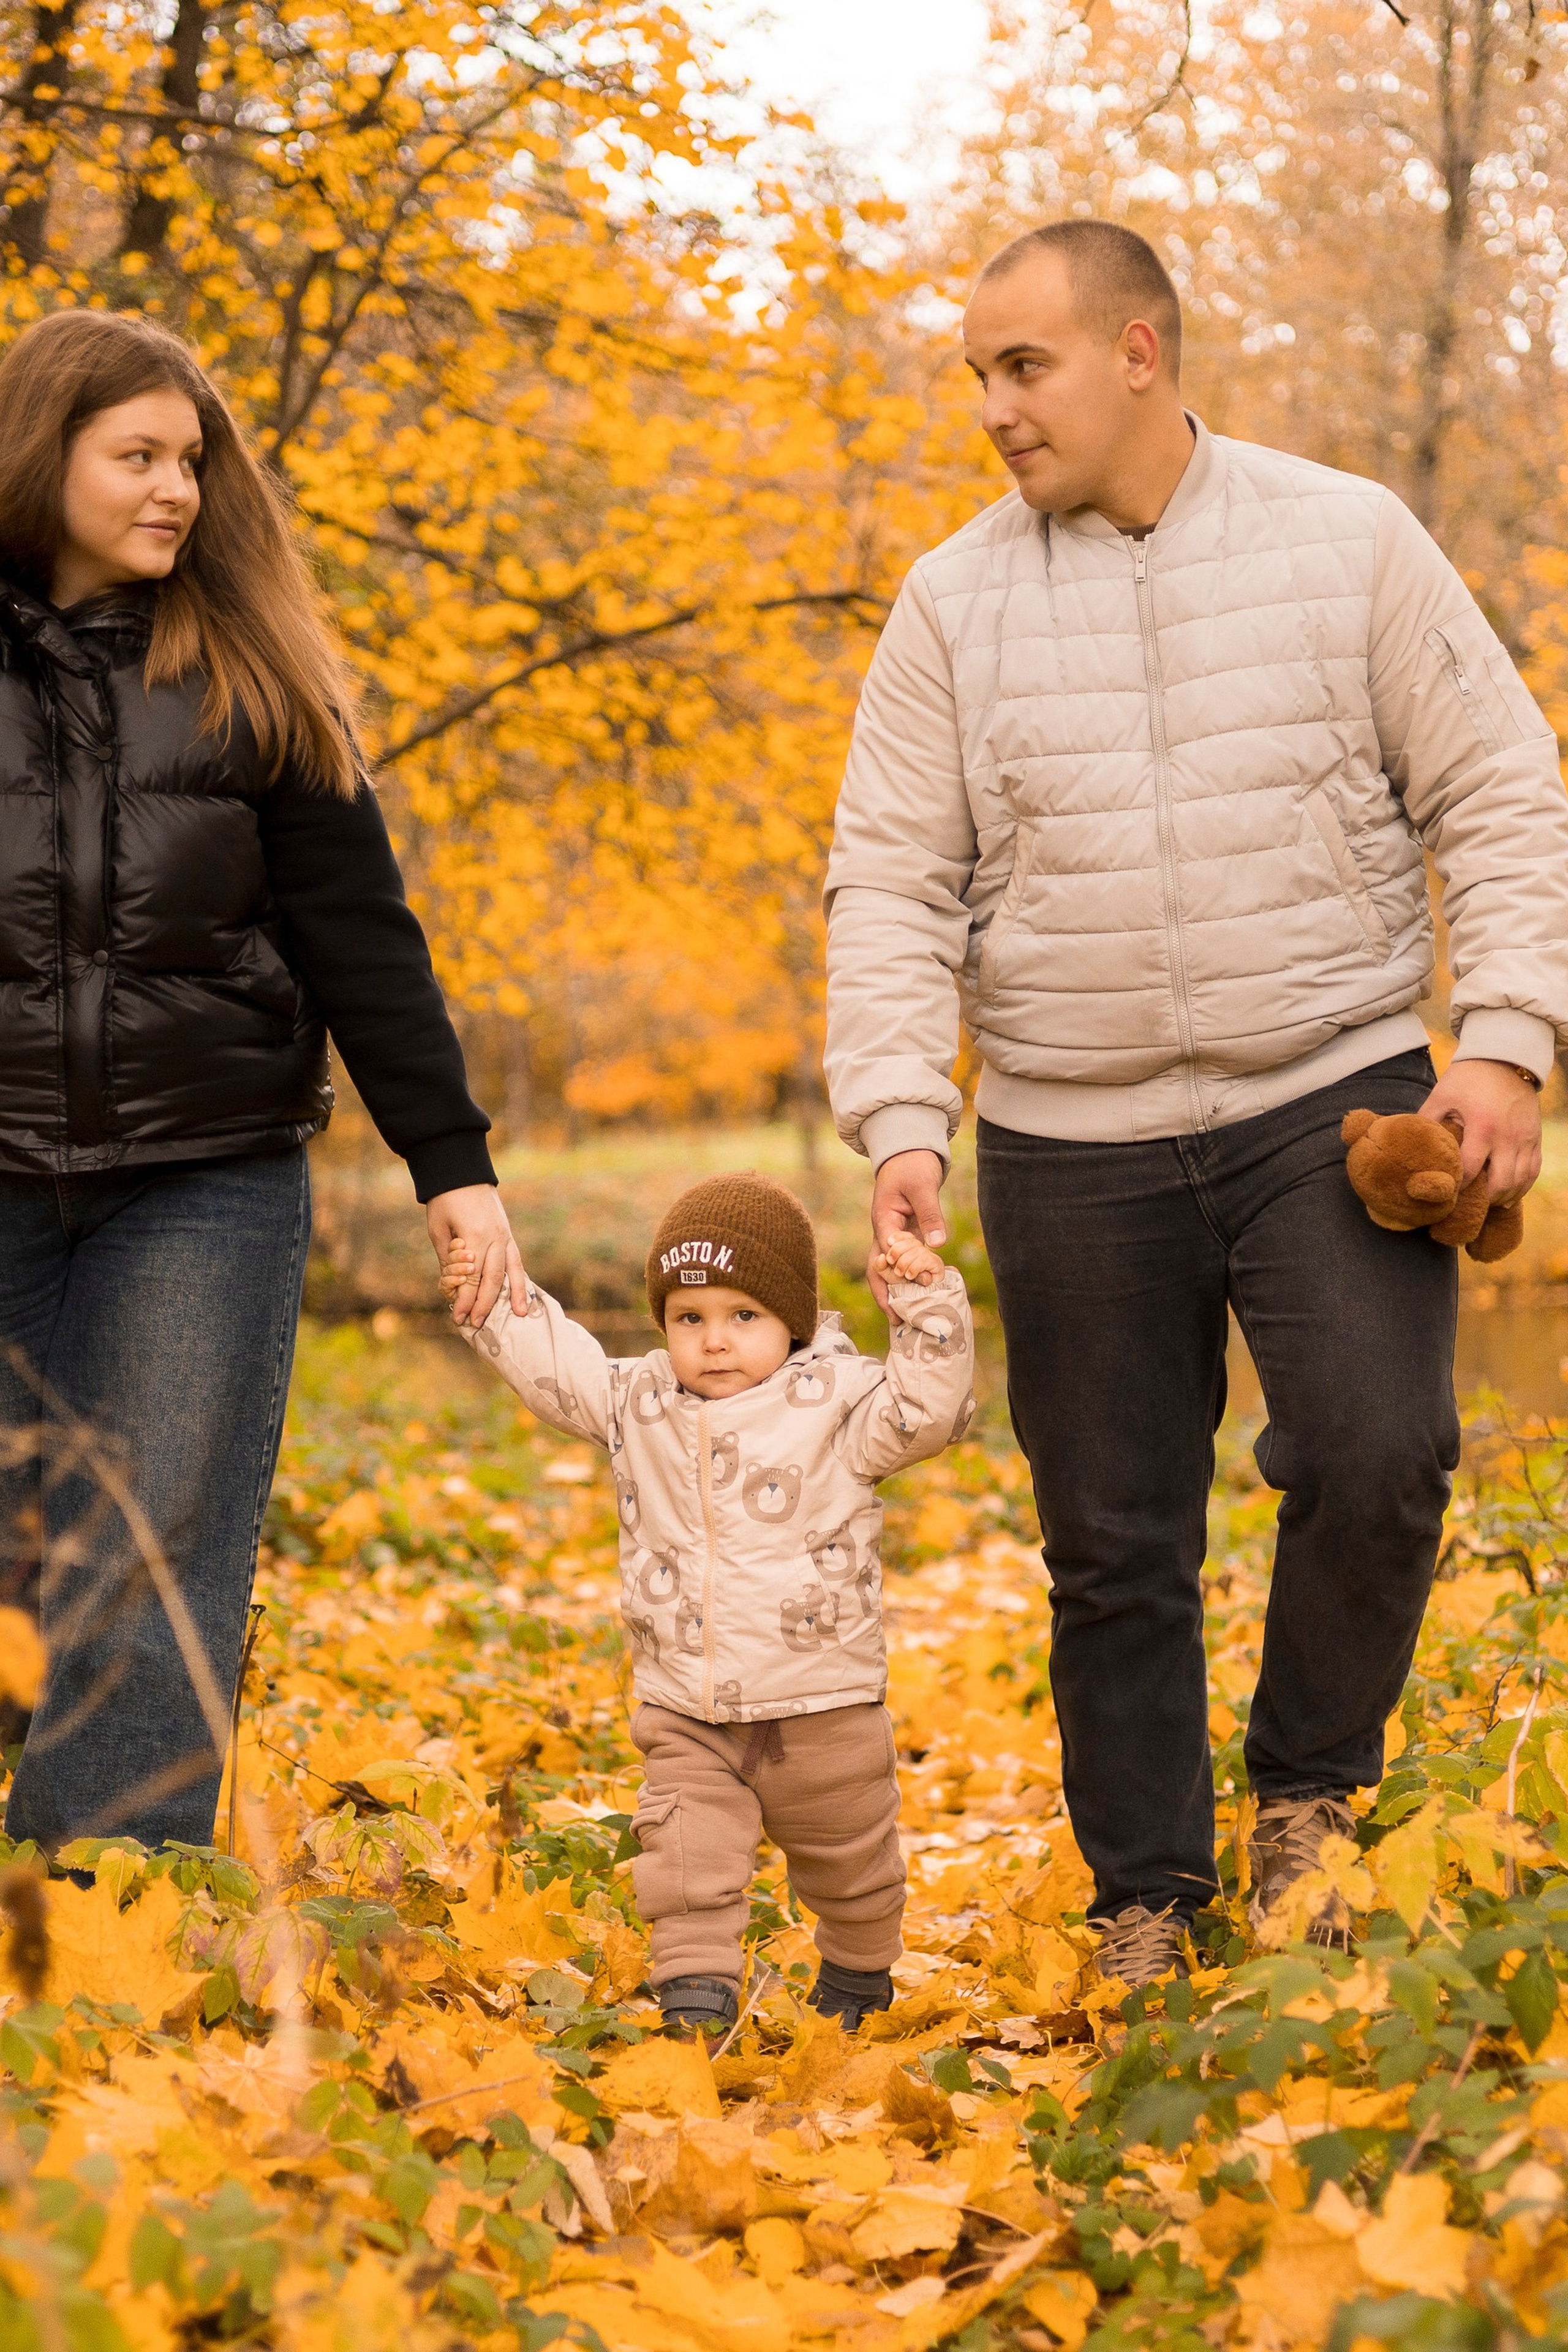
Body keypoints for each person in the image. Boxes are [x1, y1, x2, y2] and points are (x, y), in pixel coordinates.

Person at [823, 220, 1568, 1985]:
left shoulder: (1345, 540)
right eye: (980, 375)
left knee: (1383, 1458)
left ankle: (1312, 1800)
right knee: (1113, 1540)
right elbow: (890, 881)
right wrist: (902, 1116)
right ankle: (1147, 1899)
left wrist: (1508, 1039)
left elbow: (1502, 789)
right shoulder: (951, 600)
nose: (995, 409)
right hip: (1068, 1138)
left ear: (1139, 353)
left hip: (1334, 1086)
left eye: (1028, 366)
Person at [0, 308, 521, 1857]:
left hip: (202, 1179)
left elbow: (362, 938)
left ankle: (103, 1932)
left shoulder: (251, 673)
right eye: (138, 456)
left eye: (192, 460)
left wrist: (453, 1163)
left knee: (148, 1561)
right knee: (32, 1565)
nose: (176, 489)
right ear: (45, 455)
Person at [442, 1170, 974, 2034]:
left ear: (791, 1321)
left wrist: (927, 1299)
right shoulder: (637, 1402)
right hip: (688, 1705)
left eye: (743, 1316)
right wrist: (491, 1298)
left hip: (823, 1701)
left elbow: (931, 1408)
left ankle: (858, 1973)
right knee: (684, 1858)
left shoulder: (840, 1403)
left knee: (853, 1864)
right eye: (689, 1318)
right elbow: (556, 1364)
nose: (714, 1342)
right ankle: (694, 1997)